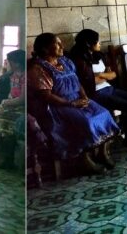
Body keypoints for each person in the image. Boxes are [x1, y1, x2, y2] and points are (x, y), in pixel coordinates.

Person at [28, 33, 119, 173]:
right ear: (45, 49)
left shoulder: (65, 62)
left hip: (77, 99)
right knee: (86, 122)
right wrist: (71, 104)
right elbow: (46, 96)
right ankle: (84, 160)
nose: (62, 46)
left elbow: (77, 82)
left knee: (103, 113)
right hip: (59, 105)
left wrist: (84, 97)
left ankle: (102, 152)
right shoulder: (38, 69)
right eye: (57, 44)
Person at [69, 29, 127, 149]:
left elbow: (113, 74)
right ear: (88, 44)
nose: (100, 43)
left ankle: (119, 128)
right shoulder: (79, 61)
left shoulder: (98, 56)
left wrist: (100, 75)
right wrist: (103, 76)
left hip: (109, 88)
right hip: (96, 93)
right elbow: (89, 82)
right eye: (97, 41)